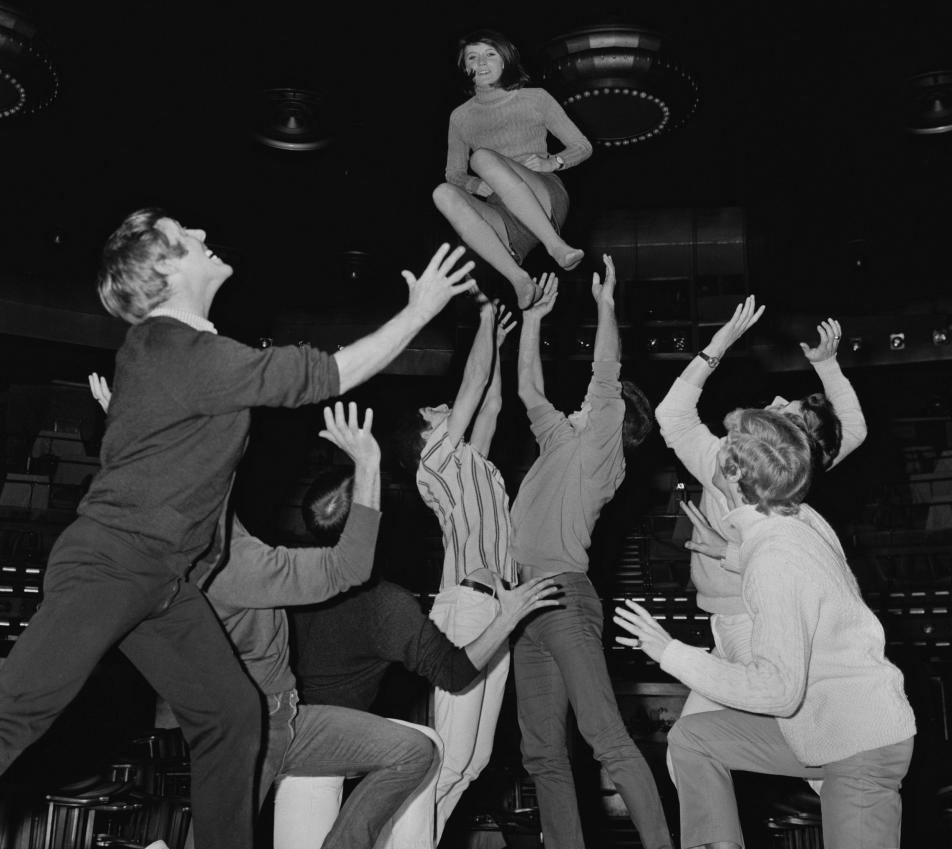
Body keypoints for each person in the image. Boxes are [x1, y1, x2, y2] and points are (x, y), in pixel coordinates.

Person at [0, 207, 474, 849]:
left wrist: (129, 423)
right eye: (182, 236)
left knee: (231, 715)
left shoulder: (164, 354)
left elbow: (157, 448)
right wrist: (421, 310)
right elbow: (326, 376)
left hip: (163, 584)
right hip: (111, 564)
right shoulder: (180, 348)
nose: (200, 234)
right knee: (17, 713)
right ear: (162, 267)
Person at [613, 407, 916, 849]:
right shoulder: (796, 520)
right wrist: (731, 555)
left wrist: (670, 652)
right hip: (819, 731)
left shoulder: (774, 558)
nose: (716, 450)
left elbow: (778, 691)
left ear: (733, 477)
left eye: (726, 448)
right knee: (694, 738)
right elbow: (805, 571)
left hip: (861, 745)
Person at [279, 467, 561, 849]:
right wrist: (507, 618)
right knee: (422, 749)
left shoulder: (288, 576)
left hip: (282, 732)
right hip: (324, 750)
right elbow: (455, 672)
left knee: (424, 745)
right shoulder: (384, 606)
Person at [509, 257, 673, 849]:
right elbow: (528, 389)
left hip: (562, 597)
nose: (581, 401)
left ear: (614, 417)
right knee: (541, 753)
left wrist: (605, 307)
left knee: (603, 734)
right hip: (521, 607)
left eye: (594, 402)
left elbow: (606, 372)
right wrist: (532, 320)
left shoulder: (605, 449)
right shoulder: (563, 440)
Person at [654, 305, 867, 721]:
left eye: (788, 411)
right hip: (737, 616)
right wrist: (827, 366)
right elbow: (854, 429)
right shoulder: (799, 467)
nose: (781, 400)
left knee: (805, 740)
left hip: (746, 621)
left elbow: (674, 416)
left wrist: (719, 345)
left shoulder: (729, 464)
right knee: (691, 743)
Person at [391, 295, 522, 841]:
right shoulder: (434, 462)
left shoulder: (473, 462)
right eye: (440, 407)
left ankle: (419, 840)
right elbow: (471, 391)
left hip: (499, 611)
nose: (451, 406)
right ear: (426, 422)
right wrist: (485, 322)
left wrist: (499, 345)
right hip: (466, 607)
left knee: (474, 762)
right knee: (451, 754)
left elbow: (489, 404)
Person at [433, 29, 593, 309]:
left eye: (489, 54)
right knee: (442, 193)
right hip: (503, 214)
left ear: (505, 60)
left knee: (481, 158)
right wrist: (476, 186)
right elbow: (453, 174)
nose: (481, 62)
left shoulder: (536, 98)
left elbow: (582, 145)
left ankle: (556, 246)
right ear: (465, 67)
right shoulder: (460, 117)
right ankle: (519, 279)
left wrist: (553, 161)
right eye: (473, 57)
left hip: (543, 198)